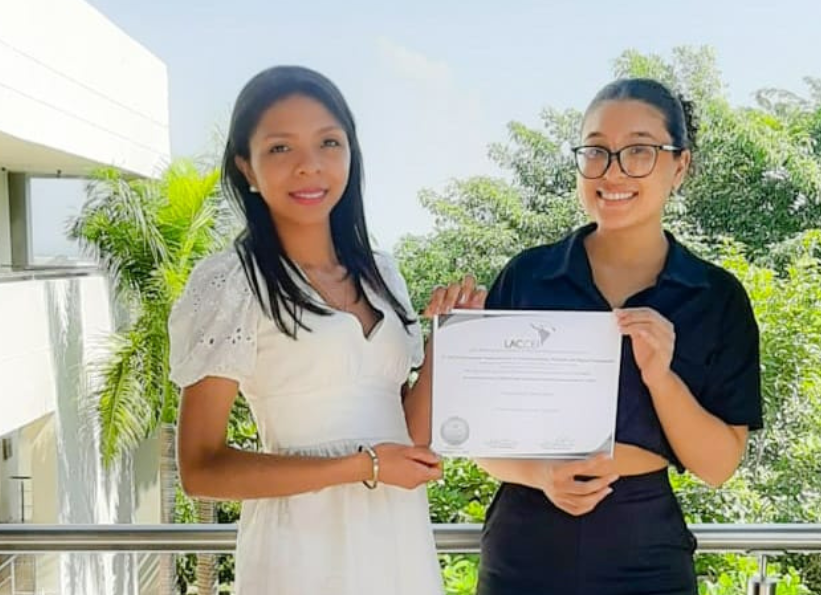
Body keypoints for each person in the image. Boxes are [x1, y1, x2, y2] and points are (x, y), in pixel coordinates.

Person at [168, 65, 479, 595]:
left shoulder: (382, 273)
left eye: (328, 142)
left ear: (350, 153)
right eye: (280, 148)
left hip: (396, 536)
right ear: (246, 167)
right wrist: (364, 467)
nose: (309, 165)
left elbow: (408, 437)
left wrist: (443, 345)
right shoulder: (232, 280)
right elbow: (201, 468)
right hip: (300, 549)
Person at [474, 78, 764, 595]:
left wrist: (661, 378)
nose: (613, 171)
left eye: (639, 151)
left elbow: (718, 466)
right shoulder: (528, 276)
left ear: (680, 166)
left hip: (646, 550)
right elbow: (478, 436)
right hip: (524, 545)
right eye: (596, 151)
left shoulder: (716, 297)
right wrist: (541, 476)